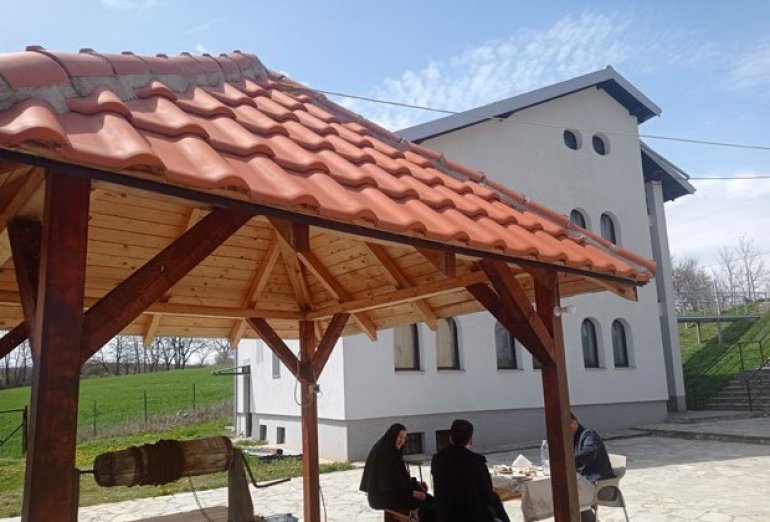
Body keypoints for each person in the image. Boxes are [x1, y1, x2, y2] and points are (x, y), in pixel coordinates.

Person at [431, 419, 510, 522]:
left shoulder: (438, 459)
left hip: (445, 515)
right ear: (470, 440)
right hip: (473, 516)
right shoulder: (476, 461)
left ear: (450, 438)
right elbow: (487, 494)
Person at [360, 423, 435, 520]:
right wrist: (413, 493)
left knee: (427, 498)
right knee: (427, 504)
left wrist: (415, 484)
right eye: (400, 437)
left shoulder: (388, 448)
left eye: (404, 438)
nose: (402, 441)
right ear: (393, 436)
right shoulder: (385, 453)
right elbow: (390, 485)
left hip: (388, 494)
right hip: (381, 497)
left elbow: (397, 478)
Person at [569, 412, 614, 483]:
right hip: (583, 479)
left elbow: (590, 451)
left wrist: (568, 461)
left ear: (574, 423)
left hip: (597, 480)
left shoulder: (589, 434)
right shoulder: (571, 437)